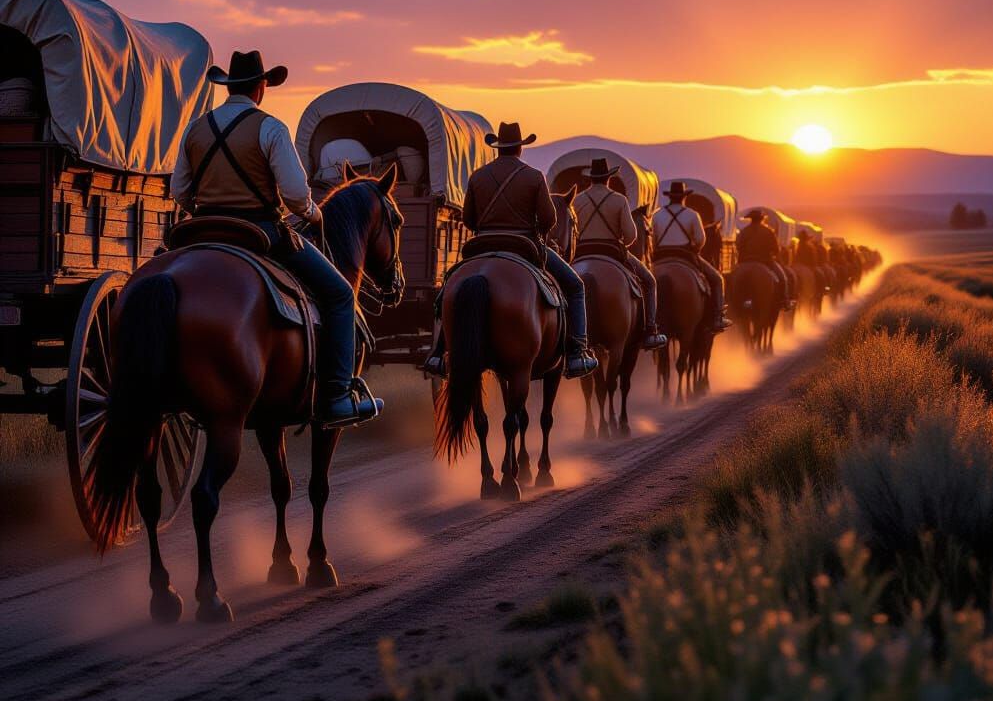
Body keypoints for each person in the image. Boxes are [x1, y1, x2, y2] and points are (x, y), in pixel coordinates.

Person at [170, 49, 381, 428]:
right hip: (259, 233)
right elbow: (297, 195)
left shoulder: (195, 128)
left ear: (228, 86)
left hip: (199, 231)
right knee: (339, 295)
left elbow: (179, 191)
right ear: (261, 87)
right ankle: (335, 396)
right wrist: (314, 215)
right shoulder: (270, 128)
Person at [423, 122, 598, 380]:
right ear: (520, 148)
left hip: (481, 247)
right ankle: (577, 352)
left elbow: (469, 219)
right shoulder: (534, 176)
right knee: (574, 285)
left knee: (449, 288)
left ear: (497, 149)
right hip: (523, 245)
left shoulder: (478, 176)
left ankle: (439, 351)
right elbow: (549, 220)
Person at [573, 157, 667, 350]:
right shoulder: (619, 200)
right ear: (609, 178)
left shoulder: (578, 200)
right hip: (612, 251)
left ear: (590, 179)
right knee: (649, 282)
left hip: (580, 253)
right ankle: (650, 330)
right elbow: (631, 236)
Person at [652, 181, 731, 332]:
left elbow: (653, 240)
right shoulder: (692, 215)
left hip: (660, 256)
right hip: (686, 255)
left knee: (645, 283)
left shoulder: (657, 215)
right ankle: (718, 317)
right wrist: (694, 249)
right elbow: (701, 240)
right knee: (717, 279)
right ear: (684, 197)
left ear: (669, 197)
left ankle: (644, 323)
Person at [736, 209, 796, 311]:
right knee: (783, 278)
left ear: (751, 219)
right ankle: (784, 301)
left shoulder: (744, 231)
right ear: (762, 219)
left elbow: (738, 246)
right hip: (765, 261)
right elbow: (775, 249)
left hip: (744, 262)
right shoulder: (768, 231)